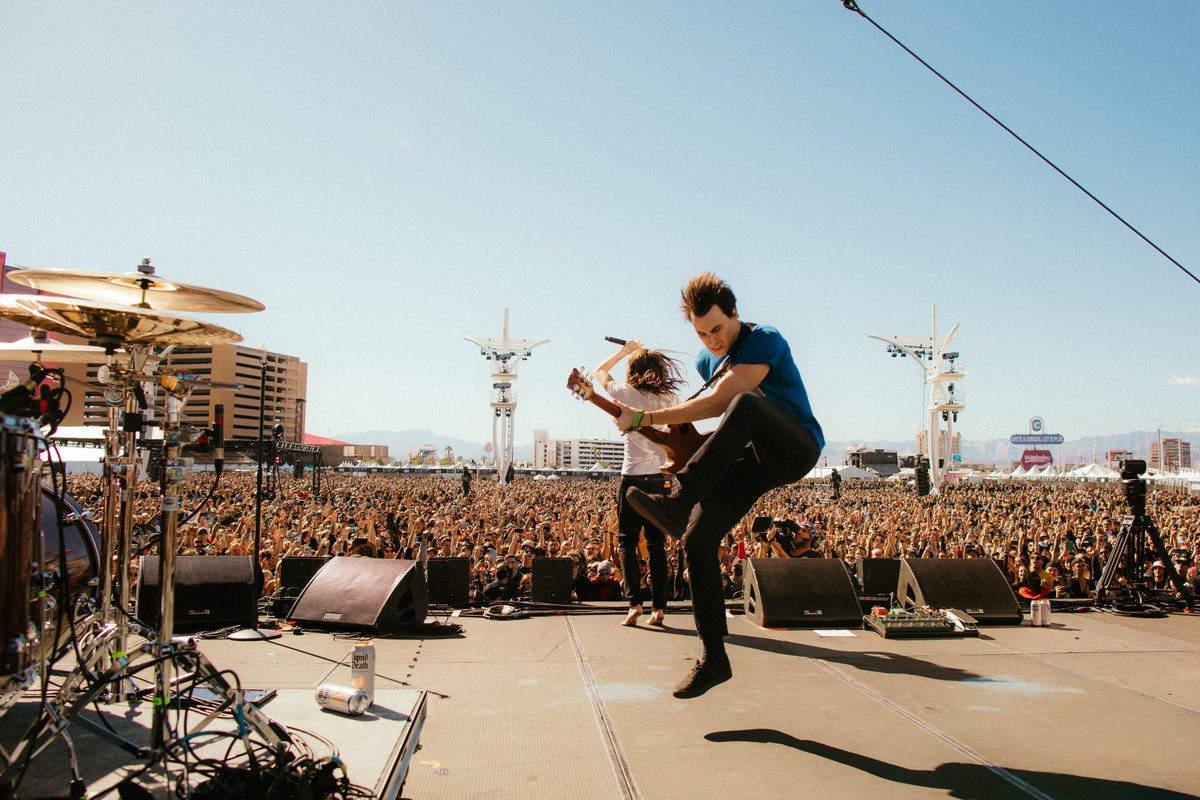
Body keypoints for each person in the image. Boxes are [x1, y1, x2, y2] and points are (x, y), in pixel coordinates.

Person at [618, 272, 824, 698]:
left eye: (717, 329)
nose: (711, 341)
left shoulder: (765, 339)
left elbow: (720, 402)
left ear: (735, 314)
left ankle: (679, 501)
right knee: (697, 539)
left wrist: (643, 418)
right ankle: (714, 658)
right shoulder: (705, 362)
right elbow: (719, 424)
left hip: (796, 447)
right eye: (701, 333)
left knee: (745, 402)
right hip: (754, 458)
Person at [595, 339, 683, 627]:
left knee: (626, 541)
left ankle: (634, 604)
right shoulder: (671, 400)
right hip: (660, 477)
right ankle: (659, 609)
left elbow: (599, 372)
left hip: (632, 475)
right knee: (657, 545)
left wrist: (624, 351)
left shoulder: (626, 393)